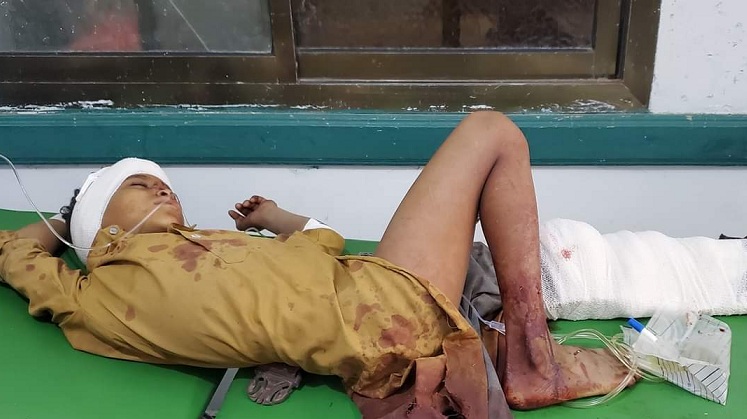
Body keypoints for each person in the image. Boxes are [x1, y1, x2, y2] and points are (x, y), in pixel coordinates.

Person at [0, 112, 632, 418]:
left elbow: (328, 243)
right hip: (382, 314)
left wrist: (274, 217)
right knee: (491, 133)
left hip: (373, 290)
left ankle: (525, 351)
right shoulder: (96, 295)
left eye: (162, 181)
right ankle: (533, 357)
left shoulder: (219, 243)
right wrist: (71, 214)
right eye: (139, 186)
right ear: (101, 227)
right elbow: (11, 249)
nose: (162, 186)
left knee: (490, 136)